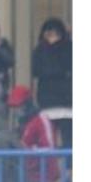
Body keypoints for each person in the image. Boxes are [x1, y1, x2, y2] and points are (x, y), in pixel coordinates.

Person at [31, 18, 72, 157]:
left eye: (56, 34)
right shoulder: (40, 50)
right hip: (47, 102)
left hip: (66, 103)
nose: (52, 38)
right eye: (49, 34)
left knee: (68, 141)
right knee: (47, 141)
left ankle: (69, 171)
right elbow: (36, 71)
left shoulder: (68, 48)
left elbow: (66, 65)